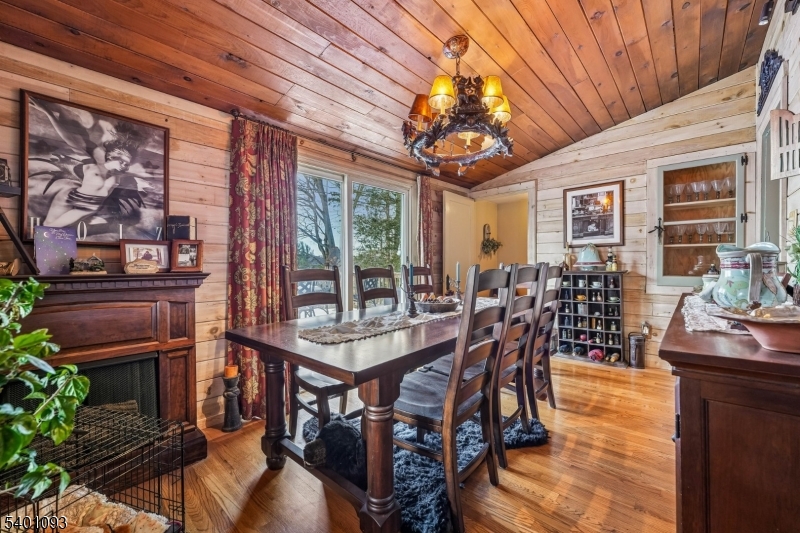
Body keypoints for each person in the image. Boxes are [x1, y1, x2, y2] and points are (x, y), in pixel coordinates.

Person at [29, 97, 149, 229]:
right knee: (47, 226)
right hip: (73, 199)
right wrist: (49, 113)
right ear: (113, 156)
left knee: (52, 229)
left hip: (87, 209)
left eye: (127, 163)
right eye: (123, 161)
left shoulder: (117, 176)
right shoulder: (92, 165)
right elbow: (70, 139)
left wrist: (140, 182)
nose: (125, 165)